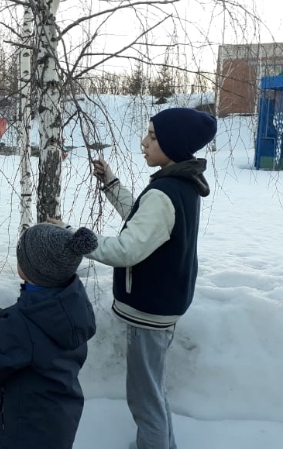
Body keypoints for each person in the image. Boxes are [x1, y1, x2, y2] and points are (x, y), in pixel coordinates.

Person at [52, 107, 216, 449]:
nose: (143, 142)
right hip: (164, 305)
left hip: (150, 310)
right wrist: (112, 185)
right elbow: (143, 221)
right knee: (153, 390)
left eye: (153, 136)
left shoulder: (164, 192)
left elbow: (126, 250)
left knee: (144, 398)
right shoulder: (180, 184)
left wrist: (72, 235)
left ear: (174, 144)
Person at [0, 223, 98, 449]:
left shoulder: (22, 323)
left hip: (25, 429)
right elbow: (34, 335)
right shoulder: (69, 304)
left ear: (31, 270)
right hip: (59, 422)